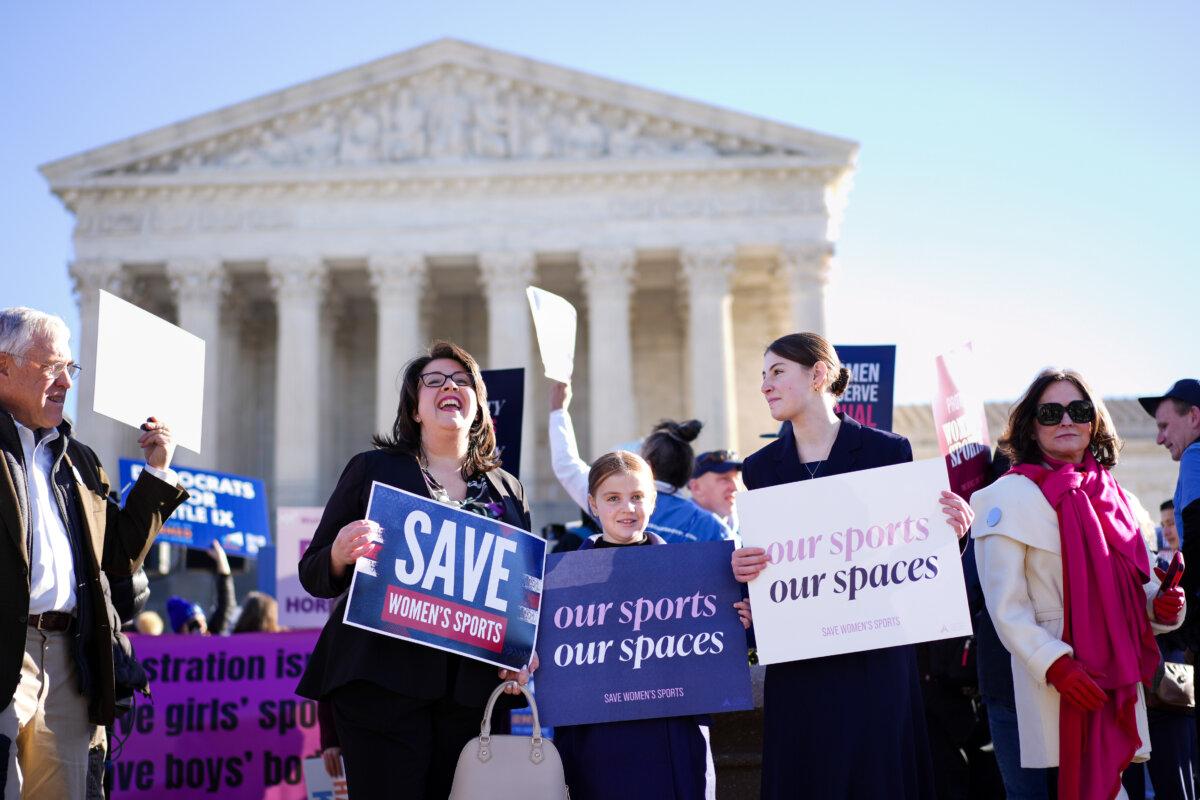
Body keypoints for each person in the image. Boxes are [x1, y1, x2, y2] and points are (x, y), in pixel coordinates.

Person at [730, 332, 974, 799]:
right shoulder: (759, 469)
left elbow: (911, 557)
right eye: (763, 375)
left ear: (818, 374)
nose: (765, 385)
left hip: (874, 661)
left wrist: (953, 535)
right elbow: (770, 567)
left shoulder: (887, 451)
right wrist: (743, 568)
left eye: (777, 371)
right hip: (800, 664)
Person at [295, 341, 535, 800]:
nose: (450, 386)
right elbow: (313, 572)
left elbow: (521, 592)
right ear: (415, 408)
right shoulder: (374, 469)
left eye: (462, 381)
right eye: (435, 381)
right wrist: (340, 553)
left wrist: (522, 652)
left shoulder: (508, 489)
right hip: (382, 686)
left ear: (480, 406)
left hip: (470, 693)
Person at [0, 306, 186, 799]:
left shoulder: (78, 459)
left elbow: (117, 559)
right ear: (4, 366)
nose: (65, 381)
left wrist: (158, 473)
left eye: (70, 369)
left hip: (68, 658)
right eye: (51, 367)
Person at [973, 368, 1185, 799]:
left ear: (1094, 421)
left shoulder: (1121, 500)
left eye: (1078, 410)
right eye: (1051, 412)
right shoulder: (1001, 498)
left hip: (1117, 689)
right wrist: (1055, 663)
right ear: (1032, 426)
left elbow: (1136, 593)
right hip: (1043, 689)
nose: (1066, 420)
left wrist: (1161, 608)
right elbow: (1006, 607)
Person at [553, 451, 708, 800]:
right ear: (593, 504)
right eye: (613, 498)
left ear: (653, 501)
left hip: (672, 741)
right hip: (596, 744)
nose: (628, 508)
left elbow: (718, 650)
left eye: (638, 497)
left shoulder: (690, 572)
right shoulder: (562, 578)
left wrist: (740, 618)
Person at [548, 380, 732, 544]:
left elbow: (566, 464)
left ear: (647, 468)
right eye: (614, 498)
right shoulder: (712, 527)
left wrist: (558, 411)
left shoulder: (607, 503)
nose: (627, 508)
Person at [164, 540, 235, 635]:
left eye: (202, 620)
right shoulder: (174, 648)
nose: (200, 627)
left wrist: (221, 558)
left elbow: (226, 605)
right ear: (181, 628)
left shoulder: (212, 635)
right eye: (194, 624)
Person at [688, 450, 742, 538]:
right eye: (724, 479)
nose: (735, 488)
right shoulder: (678, 529)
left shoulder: (745, 528)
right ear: (696, 487)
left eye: (737, 479)